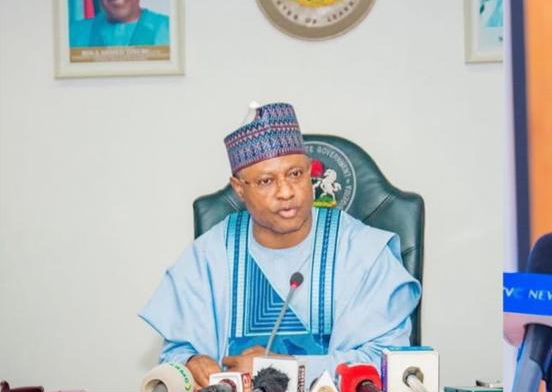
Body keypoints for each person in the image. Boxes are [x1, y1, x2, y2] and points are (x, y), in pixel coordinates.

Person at [140, 102, 420, 387]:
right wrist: (191, 362)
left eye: (295, 174)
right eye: (266, 181)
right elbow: (176, 354)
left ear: (310, 172)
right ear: (239, 189)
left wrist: (283, 368)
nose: (286, 192)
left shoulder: (364, 251)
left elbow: (388, 362)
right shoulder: (211, 254)